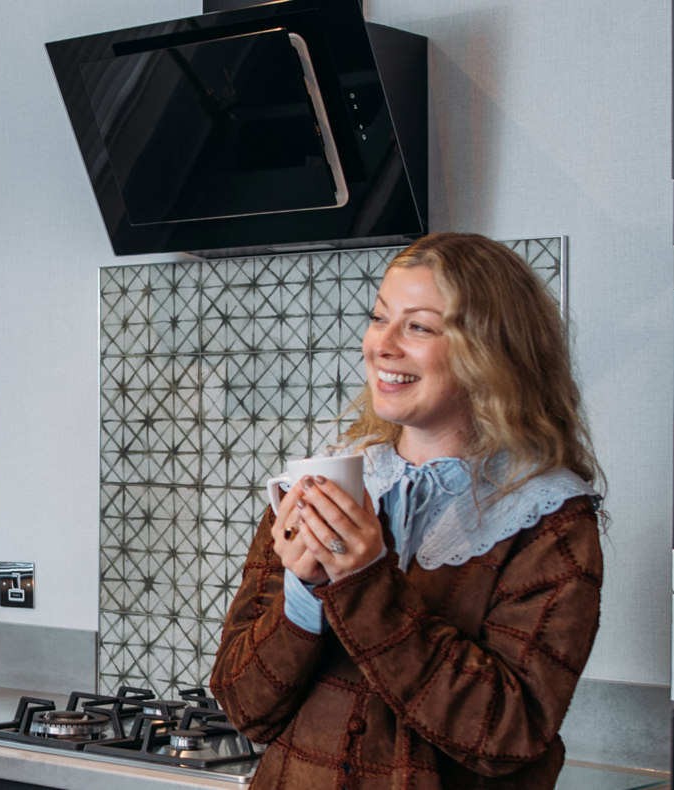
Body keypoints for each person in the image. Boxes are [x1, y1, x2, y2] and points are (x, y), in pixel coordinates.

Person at [210, 233, 605, 789]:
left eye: (418, 326)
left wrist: (365, 582)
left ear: (491, 350)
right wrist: (303, 592)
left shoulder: (548, 519)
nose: (382, 346)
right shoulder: (321, 487)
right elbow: (244, 710)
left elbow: (507, 736)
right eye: (379, 318)